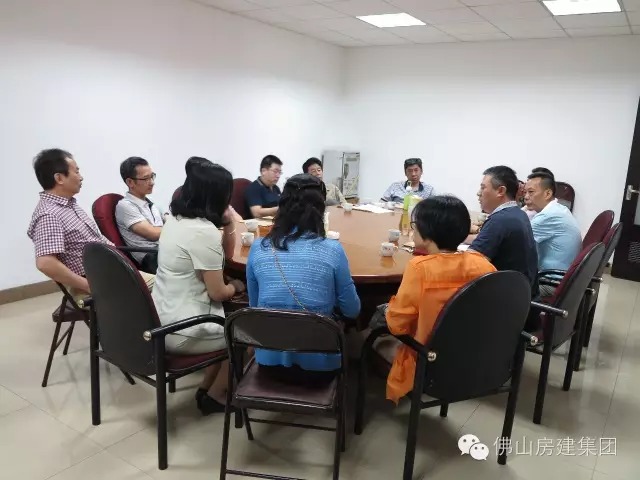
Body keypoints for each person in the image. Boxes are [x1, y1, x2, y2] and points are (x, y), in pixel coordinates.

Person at [369, 196, 496, 404]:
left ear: (427, 234)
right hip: (470, 357)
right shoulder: (483, 264)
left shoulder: (420, 268)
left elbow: (398, 325)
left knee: (375, 336)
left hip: (427, 358)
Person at [151, 158, 245, 415]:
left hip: (161, 318)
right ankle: (217, 396)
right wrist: (236, 286)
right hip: (183, 330)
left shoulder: (175, 219)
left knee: (229, 320)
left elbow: (223, 257)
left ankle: (206, 390)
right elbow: (218, 292)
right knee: (246, 334)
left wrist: (228, 223)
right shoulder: (203, 232)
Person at [246, 174, 360, 378]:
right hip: (320, 368)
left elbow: (256, 308)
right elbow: (352, 310)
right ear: (320, 210)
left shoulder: (258, 248)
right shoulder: (333, 250)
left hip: (269, 364)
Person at [27, 149, 155, 298]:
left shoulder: (69, 205)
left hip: (112, 271)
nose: (81, 177)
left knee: (168, 283)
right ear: (59, 178)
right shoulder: (49, 214)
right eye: (76, 172)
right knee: (166, 286)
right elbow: (45, 263)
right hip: (97, 280)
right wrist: (89, 286)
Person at [466, 166, 539, 298]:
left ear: (500, 191)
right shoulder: (518, 214)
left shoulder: (500, 220)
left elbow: (469, 266)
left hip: (504, 302)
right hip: (522, 296)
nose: (478, 193)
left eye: (483, 188)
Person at [525, 172, 582, 296]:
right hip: (564, 278)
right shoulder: (559, 209)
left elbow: (516, 244)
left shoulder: (547, 216)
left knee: (502, 288)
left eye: (531, 192)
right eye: (525, 192)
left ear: (547, 194)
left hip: (551, 282)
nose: (526, 197)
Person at [115, 157, 164, 273]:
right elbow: (153, 234)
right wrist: (177, 228)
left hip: (164, 250)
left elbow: (167, 219)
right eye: (146, 178)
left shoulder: (149, 204)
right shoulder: (125, 206)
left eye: (152, 176)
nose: (152, 182)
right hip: (152, 257)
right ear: (130, 182)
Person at [244, 154, 282, 219]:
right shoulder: (254, 188)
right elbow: (256, 213)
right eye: (275, 171)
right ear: (263, 171)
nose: (278, 176)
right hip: (260, 223)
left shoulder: (276, 188)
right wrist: (279, 209)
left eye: (280, 172)